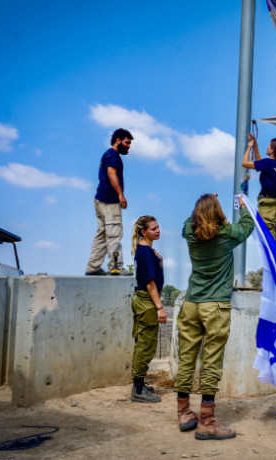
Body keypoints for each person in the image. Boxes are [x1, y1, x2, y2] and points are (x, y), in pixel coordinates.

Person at [175, 194, 255, 440]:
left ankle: (184, 412)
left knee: (187, 358)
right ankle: (207, 421)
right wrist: (242, 205)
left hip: (191, 304)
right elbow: (248, 225)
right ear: (218, 212)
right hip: (215, 306)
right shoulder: (226, 236)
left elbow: (188, 223)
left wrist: (203, 205)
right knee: (211, 362)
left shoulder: (190, 233)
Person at [85, 128, 133, 276]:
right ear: (118, 140)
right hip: (109, 201)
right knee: (114, 234)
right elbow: (112, 174)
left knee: (102, 234)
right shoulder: (112, 155)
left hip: (100, 200)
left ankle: (93, 267)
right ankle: (115, 267)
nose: (128, 146)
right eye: (126, 142)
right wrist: (121, 195)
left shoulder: (107, 154)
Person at [130, 215, 167, 403]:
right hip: (147, 301)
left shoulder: (146, 250)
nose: (158, 230)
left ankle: (139, 383)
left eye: (158, 227)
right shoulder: (145, 252)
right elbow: (150, 284)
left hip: (142, 300)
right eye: (154, 229)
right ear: (144, 232)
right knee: (146, 345)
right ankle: (137, 389)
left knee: (142, 343)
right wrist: (159, 307)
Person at [241, 134, 276, 241]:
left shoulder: (268, 163)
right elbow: (260, 163)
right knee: (271, 242)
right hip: (275, 208)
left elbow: (244, 163)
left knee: (266, 240)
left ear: (272, 150)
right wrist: (255, 145)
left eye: (269, 146)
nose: (267, 147)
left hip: (267, 206)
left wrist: (249, 147)